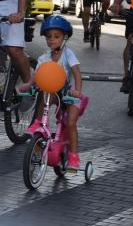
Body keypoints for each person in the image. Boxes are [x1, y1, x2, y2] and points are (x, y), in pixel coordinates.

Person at [23, 15, 85, 171]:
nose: (52, 40)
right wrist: (29, 85)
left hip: (69, 96)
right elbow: (37, 75)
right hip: (54, 93)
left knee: (70, 123)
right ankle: (39, 124)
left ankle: (73, 156)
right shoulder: (45, 57)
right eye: (49, 37)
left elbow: (77, 73)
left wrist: (77, 90)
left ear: (64, 38)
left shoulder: (67, 54)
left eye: (56, 36)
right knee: (45, 97)